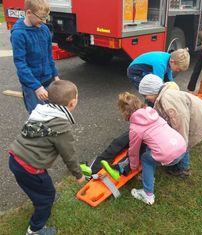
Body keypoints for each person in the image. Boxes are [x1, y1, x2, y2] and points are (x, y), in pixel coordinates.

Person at [8, 80, 85, 235]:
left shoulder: (41, 111)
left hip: (15, 158)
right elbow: (69, 156)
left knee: (41, 186)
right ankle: (35, 229)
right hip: (31, 168)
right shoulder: (61, 127)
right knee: (44, 201)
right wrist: (79, 175)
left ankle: (45, 194)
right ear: (72, 103)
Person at [104, 92, 187, 205]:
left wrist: (133, 166)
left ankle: (148, 195)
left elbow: (133, 151)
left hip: (168, 155)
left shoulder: (135, 128)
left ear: (124, 112)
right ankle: (182, 168)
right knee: (150, 148)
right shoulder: (154, 114)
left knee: (146, 159)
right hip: (182, 146)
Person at [139, 74, 202, 176]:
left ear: (152, 91)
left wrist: (178, 148)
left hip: (195, 120)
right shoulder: (163, 95)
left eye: (145, 95)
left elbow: (181, 127)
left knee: (183, 140)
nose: (146, 99)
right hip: (189, 118)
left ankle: (183, 169)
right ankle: (182, 165)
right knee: (183, 140)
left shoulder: (168, 100)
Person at [11, 0, 60, 114]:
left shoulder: (44, 29)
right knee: (37, 117)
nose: (43, 21)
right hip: (32, 85)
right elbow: (20, 64)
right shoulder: (19, 34)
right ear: (29, 12)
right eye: (41, 17)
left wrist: (55, 75)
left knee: (52, 114)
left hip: (48, 80)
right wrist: (37, 87)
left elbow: (49, 55)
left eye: (45, 17)